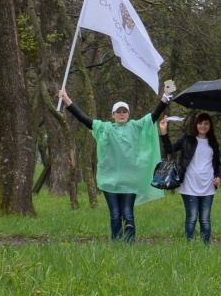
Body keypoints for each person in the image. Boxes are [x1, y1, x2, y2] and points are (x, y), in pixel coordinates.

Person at [57, 86, 169, 242]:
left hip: (130, 180)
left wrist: (166, 95)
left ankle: (129, 245)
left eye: (124, 112)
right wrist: (66, 99)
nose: (121, 114)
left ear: (129, 114)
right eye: (118, 112)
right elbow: (83, 118)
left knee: (128, 214)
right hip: (110, 180)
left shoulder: (135, 127)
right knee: (115, 214)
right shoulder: (104, 128)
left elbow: (154, 115)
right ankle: (116, 243)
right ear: (113, 114)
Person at [160, 112, 221, 243]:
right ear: (196, 124)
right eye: (200, 123)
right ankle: (190, 247)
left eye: (206, 123)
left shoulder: (213, 142)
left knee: (205, 219)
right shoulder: (186, 139)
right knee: (191, 218)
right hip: (189, 184)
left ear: (210, 126)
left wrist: (219, 176)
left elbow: (217, 163)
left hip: (208, 185)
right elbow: (170, 150)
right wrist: (164, 132)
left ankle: (205, 246)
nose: (203, 126)